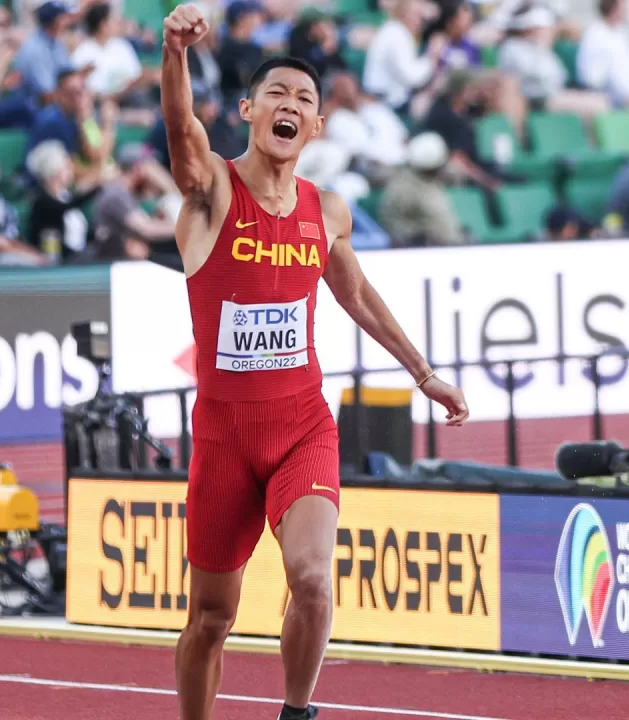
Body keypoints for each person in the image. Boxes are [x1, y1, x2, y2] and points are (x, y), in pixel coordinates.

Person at [159, 6, 470, 720]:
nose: (290, 105)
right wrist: (174, 53)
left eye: (304, 99)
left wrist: (424, 374)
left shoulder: (326, 210)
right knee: (210, 618)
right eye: (276, 93)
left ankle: (296, 713)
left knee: (313, 578)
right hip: (224, 438)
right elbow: (180, 131)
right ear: (248, 111)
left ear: (318, 126)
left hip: (302, 426)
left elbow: (357, 296)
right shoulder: (212, 193)